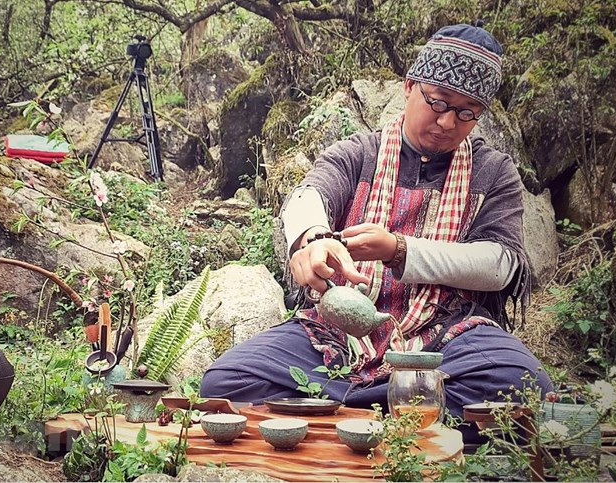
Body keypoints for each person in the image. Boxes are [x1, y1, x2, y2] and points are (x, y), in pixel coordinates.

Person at [200, 22, 552, 442]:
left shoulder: (494, 171)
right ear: (409, 87)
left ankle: (339, 415)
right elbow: (308, 196)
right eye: (437, 101)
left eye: (466, 112)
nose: (446, 121)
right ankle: (409, 414)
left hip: (448, 331)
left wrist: (400, 250)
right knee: (226, 382)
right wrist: (313, 240)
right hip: (336, 333)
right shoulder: (359, 153)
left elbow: (500, 264)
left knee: (524, 387)